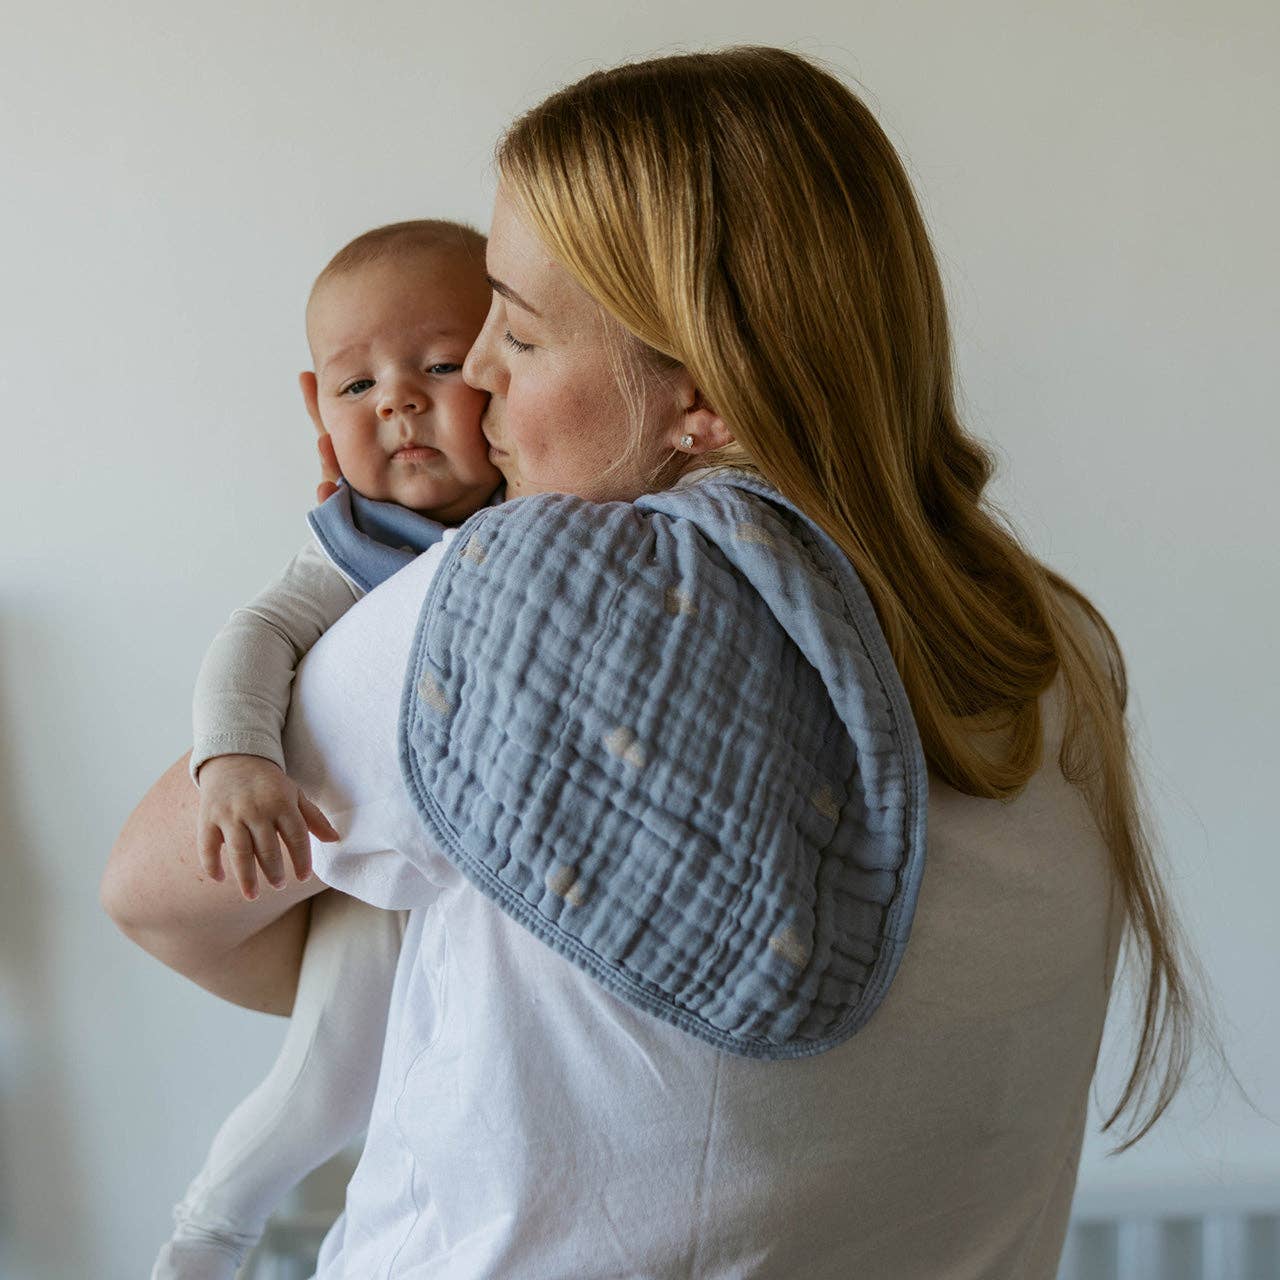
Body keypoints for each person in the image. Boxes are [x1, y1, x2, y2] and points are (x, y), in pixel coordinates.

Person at [102, 46, 1198, 1279]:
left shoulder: (524, 600)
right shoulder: (1052, 648)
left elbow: (153, 886)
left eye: (511, 334)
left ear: (704, 404)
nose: (473, 386)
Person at [153, 219, 503, 1280]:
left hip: (491, 883)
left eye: (439, 366)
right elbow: (252, 638)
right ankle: (207, 1235)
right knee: (324, 1085)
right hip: (369, 877)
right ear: (316, 408)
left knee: (449, 1100)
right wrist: (237, 761)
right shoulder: (349, 542)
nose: (396, 397)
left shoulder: (551, 505)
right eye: (357, 386)